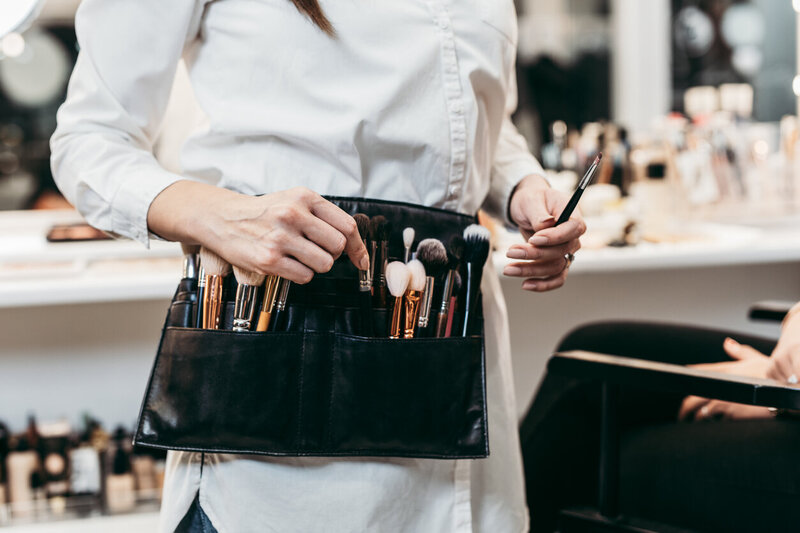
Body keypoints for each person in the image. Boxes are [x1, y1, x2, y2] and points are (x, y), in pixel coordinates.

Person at [50, 1, 585, 531]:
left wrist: (522, 187)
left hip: (455, 381)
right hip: (276, 437)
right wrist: (222, 217)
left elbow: (479, 119)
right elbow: (88, 140)